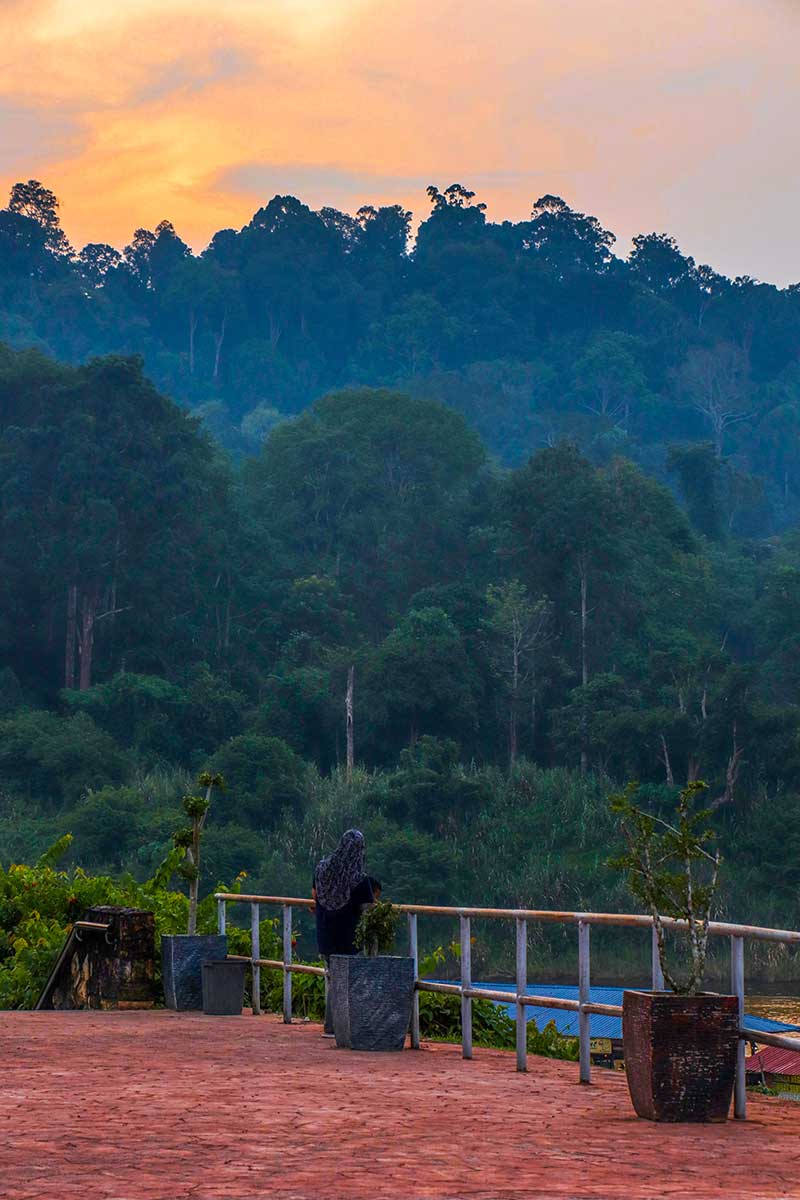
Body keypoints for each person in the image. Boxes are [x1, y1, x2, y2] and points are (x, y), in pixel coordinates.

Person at [312, 829, 374, 1034]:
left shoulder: (321, 869)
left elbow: (314, 894)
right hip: (348, 937)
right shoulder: (359, 879)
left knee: (334, 978)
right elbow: (369, 909)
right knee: (348, 982)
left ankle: (332, 1025)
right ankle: (338, 1026)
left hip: (325, 933)